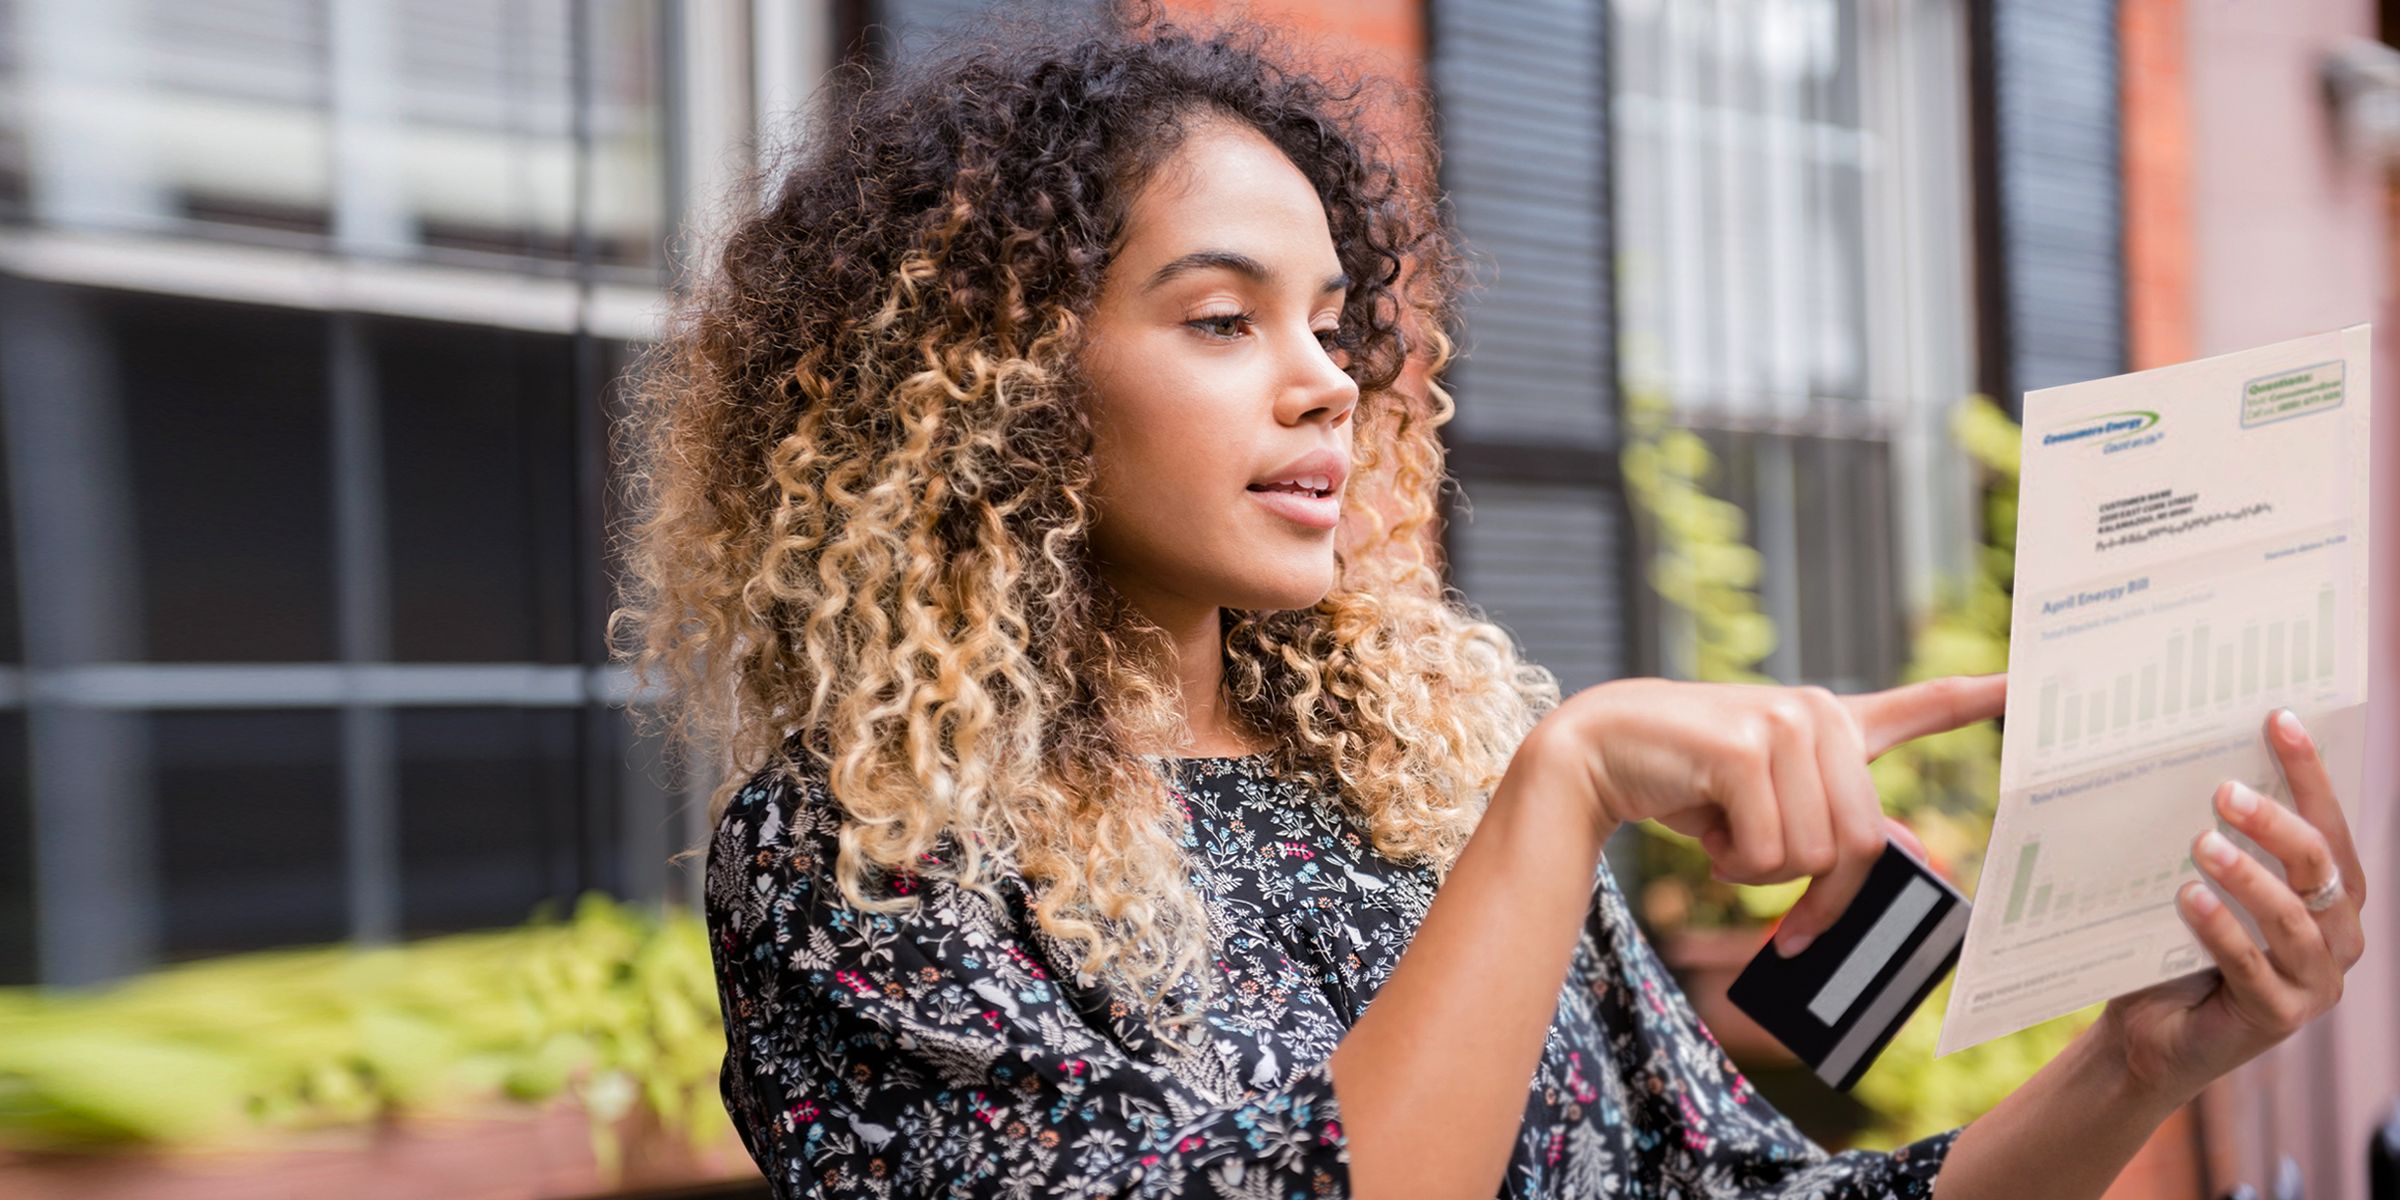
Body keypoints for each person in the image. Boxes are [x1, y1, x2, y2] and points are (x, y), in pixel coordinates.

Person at [608, 7, 2367, 1197]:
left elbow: (1757, 1186)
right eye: (1224, 320)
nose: (1322, 386)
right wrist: (1571, 783)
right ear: (995, 382)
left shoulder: (1416, 789)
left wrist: (2140, 1061)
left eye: (1331, 325)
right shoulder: (864, 858)